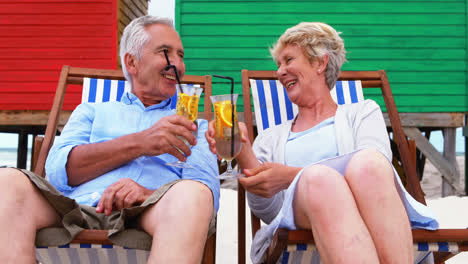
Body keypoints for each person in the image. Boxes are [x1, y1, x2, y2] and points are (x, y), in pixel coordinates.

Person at [206, 22, 437, 263]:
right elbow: (269, 211)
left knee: (368, 163)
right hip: (302, 229)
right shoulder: (271, 137)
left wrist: (291, 176)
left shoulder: (362, 113)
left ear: (319, 62)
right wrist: (241, 148)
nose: (280, 72)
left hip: (374, 221)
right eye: (278, 65)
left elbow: (378, 173)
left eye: (288, 60)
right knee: (320, 181)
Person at [0, 15, 219, 263]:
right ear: (132, 63)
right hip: (75, 209)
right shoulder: (91, 111)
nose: (178, 65)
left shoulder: (195, 127)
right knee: (6, 181)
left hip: (149, 214)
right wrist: (141, 142)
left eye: (181, 56)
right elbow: (58, 171)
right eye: (165, 52)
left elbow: (205, 196)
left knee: (193, 195)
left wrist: (147, 194)